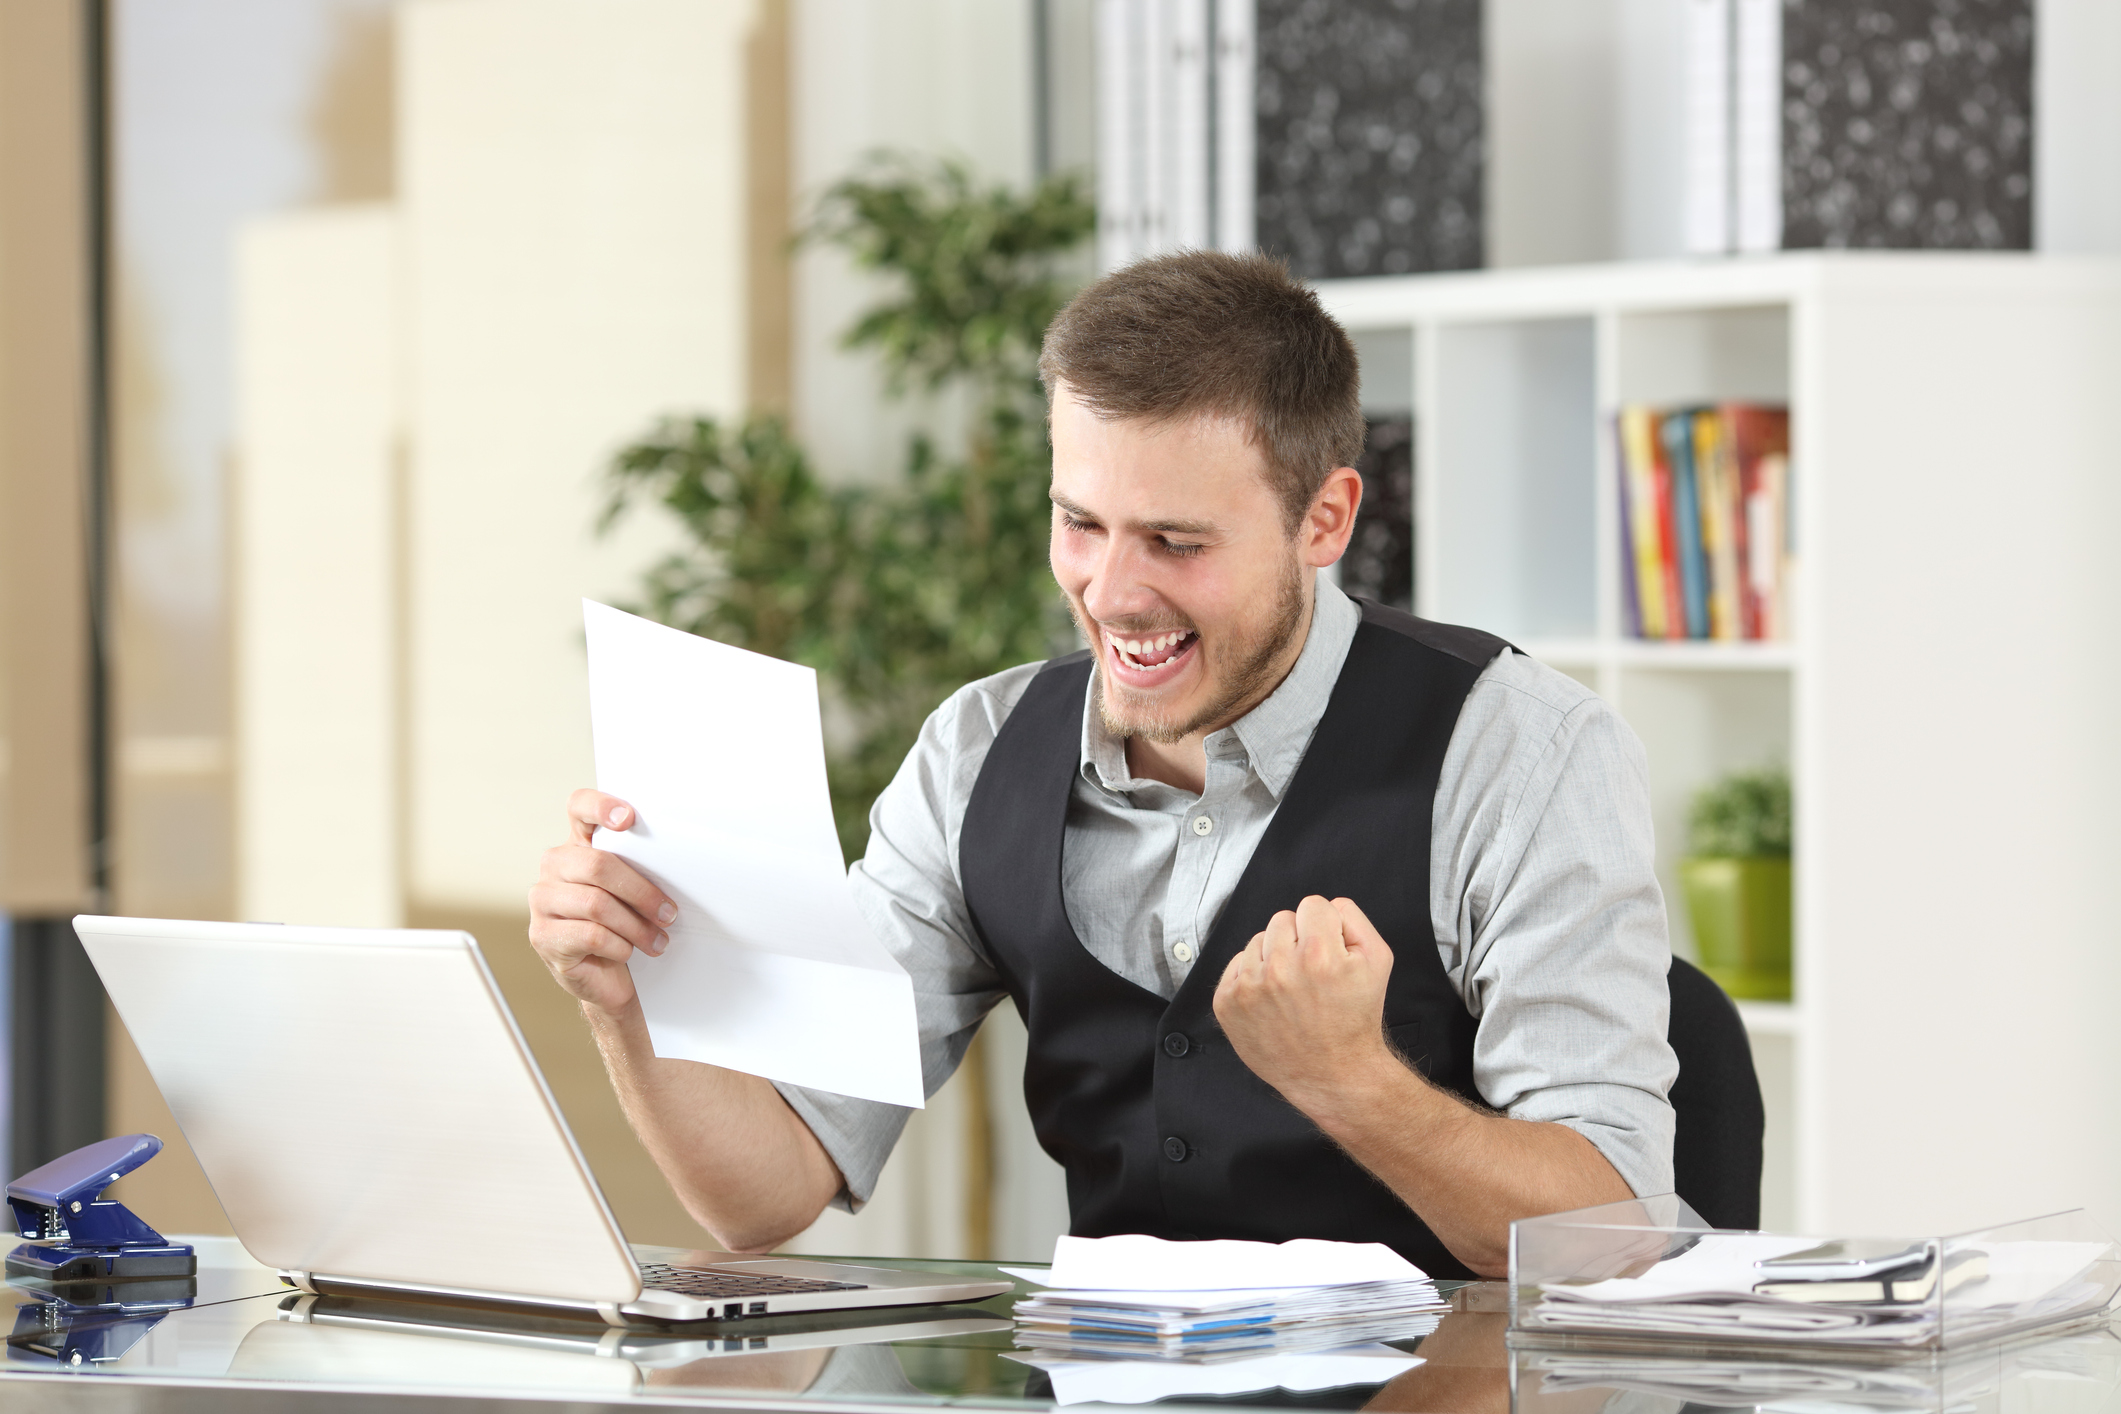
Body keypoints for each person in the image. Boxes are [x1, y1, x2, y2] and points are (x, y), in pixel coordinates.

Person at [529, 251, 1676, 1280]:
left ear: (1324, 521)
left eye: (1176, 542)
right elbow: (769, 1192)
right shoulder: (976, 755)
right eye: (1080, 523)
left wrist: (1354, 1084)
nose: (1113, 594)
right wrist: (629, 999)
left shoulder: (1522, 753)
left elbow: (1613, 1241)